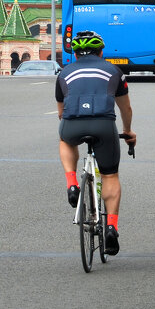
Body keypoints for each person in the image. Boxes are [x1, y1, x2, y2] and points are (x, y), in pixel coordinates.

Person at [55, 30, 136, 256]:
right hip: (104, 125)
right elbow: (125, 108)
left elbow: (61, 113)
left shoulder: (64, 73)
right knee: (110, 175)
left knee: (65, 140)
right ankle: (111, 226)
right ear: (102, 52)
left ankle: (72, 183)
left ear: (75, 53)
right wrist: (128, 131)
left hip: (73, 124)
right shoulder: (114, 71)